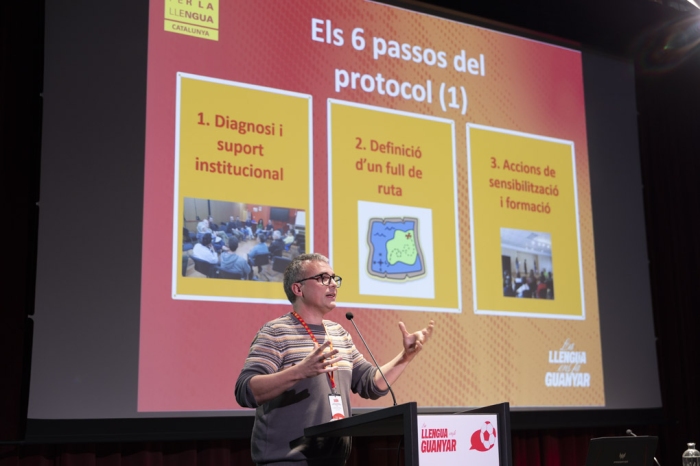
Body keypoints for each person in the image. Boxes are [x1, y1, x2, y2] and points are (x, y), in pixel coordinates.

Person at [235, 253, 434, 465]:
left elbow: (371, 383)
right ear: (298, 289)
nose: (332, 284)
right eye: (323, 278)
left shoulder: (338, 333)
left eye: (333, 278)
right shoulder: (276, 332)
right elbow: (245, 390)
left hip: (334, 460)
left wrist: (405, 356)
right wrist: (299, 372)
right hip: (287, 461)